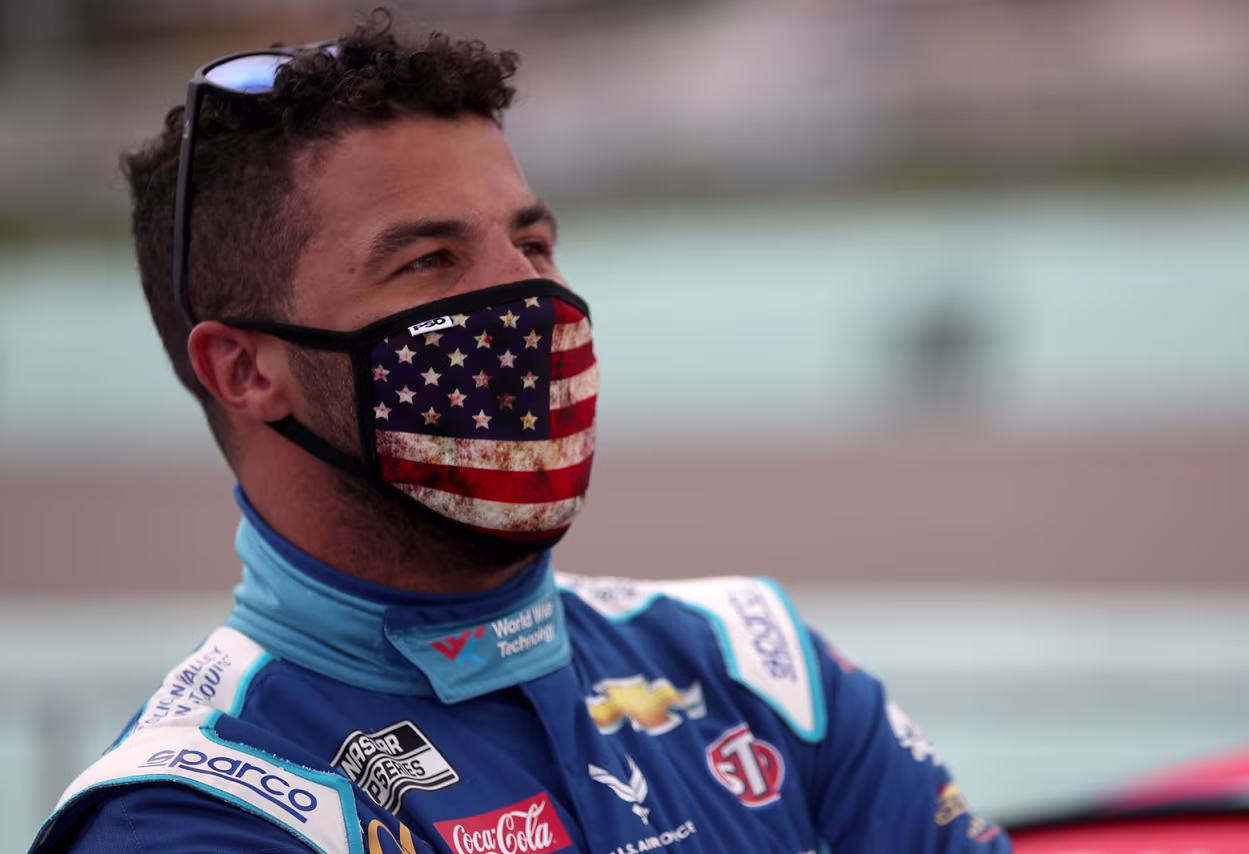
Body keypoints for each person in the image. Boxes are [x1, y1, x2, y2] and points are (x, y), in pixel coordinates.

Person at [29, 13, 1009, 854]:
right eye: (429, 261)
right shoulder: (194, 811)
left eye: (531, 243)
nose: (532, 301)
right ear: (245, 368)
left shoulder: (755, 663)